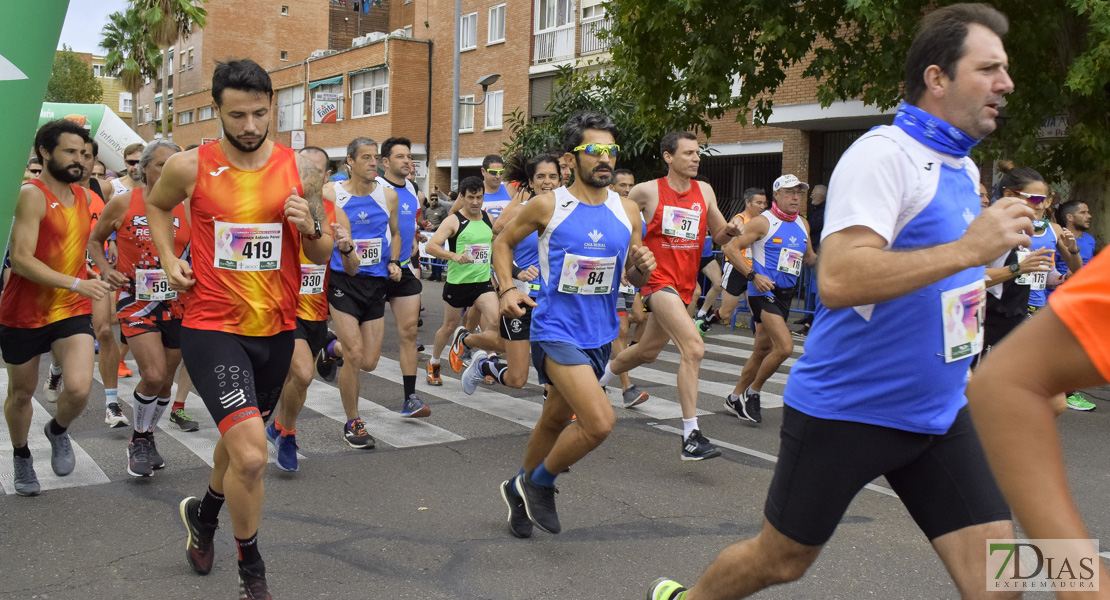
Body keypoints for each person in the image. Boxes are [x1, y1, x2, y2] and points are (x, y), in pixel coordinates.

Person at [648, 5, 1033, 598]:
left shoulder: (961, 164)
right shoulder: (884, 155)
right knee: (780, 560)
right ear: (937, 78)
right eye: (989, 69)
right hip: (850, 410)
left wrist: (992, 266)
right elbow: (841, 278)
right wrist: (967, 249)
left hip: (937, 411)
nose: (1006, 84)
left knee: (1002, 577)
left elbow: (949, 280)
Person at [147, 59, 333, 598]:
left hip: (276, 326)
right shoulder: (190, 166)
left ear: (273, 106)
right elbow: (159, 209)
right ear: (217, 112)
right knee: (252, 453)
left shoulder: (303, 171)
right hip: (211, 322)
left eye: (259, 113)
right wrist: (165, 255)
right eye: (237, 116)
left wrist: (311, 225)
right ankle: (252, 569)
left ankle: (203, 515)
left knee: (238, 439)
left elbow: (321, 252)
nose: (250, 126)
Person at [493, 111, 655, 537]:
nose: (605, 159)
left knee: (553, 419)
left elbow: (633, 275)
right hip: (554, 329)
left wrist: (642, 268)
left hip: (601, 333)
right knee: (599, 421)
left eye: (611, 151)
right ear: (571, 158)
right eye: (594, 151)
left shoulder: (628, 211)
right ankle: (538, 483)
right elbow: (502, 242)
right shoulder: (549, 204)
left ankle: (516, 487)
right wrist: (507, 288)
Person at [967, 248, 1110, 591]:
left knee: (1004, 574)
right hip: (974, 331)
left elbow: (1064, 279)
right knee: (809, 546)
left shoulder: (1035, 239)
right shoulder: (980, 230)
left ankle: (992, 449)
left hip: (1021, 322)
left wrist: (1068, 258)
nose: (1037, 208)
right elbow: (965, 280)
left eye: (1042, 201)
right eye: (1030, 199)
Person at [597, 131, 742, 461]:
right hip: (655, 280)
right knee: (693, 346)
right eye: (689, 153)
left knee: (646, 352)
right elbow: (620, 223)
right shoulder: (646, 191)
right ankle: (691, 435)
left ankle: (598, 383)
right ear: (668, 156)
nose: (696, 158)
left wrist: (730, 229)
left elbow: (718, 234)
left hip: (684, 285)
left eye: (697, 153)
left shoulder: (704, 191)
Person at [1, 119, 108, 496]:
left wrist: (100, 271)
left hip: (71, 307)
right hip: (23, 312)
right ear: (45, 152)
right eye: (69, 151)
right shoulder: (31, 194)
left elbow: (81, 248)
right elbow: (22, 259)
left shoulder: (82, 196)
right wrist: (78, 281)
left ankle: (58, 430)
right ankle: (21, 454)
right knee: (21, 394)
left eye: (83, 153)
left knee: (78, 389)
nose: (79, 160)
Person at [88, 140, 190, 476]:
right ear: (144, 168)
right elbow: (94, 239)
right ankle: (140, 438)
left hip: (179, 302)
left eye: (173, 164)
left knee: (165, 384)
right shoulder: (123, 202)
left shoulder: (189, 207)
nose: (167, 171)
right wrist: (105, 268)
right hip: (136, 301)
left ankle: (146, 436)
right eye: (160, 165)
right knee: (154, 374)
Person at [312, 137, 411, 452]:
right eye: (365, 157)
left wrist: (394, 261)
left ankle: (331, 348)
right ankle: (353, 421)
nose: (372, 162)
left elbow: (395, 234)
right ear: (349, 164)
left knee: (368, 360)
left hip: (375, 283)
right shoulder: (331, 194)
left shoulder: (389, 196)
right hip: (342, 280)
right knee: (355, 355)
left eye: (375, 157)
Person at [266, 145, 356, 470]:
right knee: (303, 372)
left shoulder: (334, 211)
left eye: (314, 171)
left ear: (326, 176)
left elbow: (352, 267)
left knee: (300, 382)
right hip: (282, 307)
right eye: (301, 169)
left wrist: (346, 248)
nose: (306, 176)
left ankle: (280, 425)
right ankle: (287, 433)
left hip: (316, 311)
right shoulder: (277, 205)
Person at [458, 153, 561, 394]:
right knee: (517, 378)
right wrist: (513, 276)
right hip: (519, 292)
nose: (547, 182)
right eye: (541, 177)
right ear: (531, 182)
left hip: (553, 297)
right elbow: (498, 242)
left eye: (553, 176)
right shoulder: (521, 211)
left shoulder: (569, 212)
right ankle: (479, 360)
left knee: (554, 356)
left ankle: (557, 408)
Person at [723, 175, 818, 424]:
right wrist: (753, 275)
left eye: (799, 192)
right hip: (763, 292)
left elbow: (809, 257)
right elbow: (730, 249)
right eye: (789, 192)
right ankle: (754, 393)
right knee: (785, 347)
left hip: (785, 296)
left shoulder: (803, 224)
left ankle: (734, 397)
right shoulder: (763, 222)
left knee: (762, 350)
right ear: (776, 195)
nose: (795, 197)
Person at [425, 177, 499, 384]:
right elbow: (432, 246)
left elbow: (494, 245)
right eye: (471, 198)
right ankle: (434, 362)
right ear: (462, 198)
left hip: (482, 282)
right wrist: (453, 256)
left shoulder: (488, 219)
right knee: (449, 327)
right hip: (458, 283)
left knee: (493, 321)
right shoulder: (453, 221)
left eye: (479, 197)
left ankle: (486, 362)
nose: (475, 202)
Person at [609, 168, 650, 406]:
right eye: (622, 185)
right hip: (609, 277)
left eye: (630, 185)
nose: (627, 189)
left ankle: (603, 376)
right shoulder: (608, 209)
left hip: (628, 276)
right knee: (621, 328)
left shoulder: (635, 211)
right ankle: (627, 388)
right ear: (612, 186)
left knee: (637, 316)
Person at [707, 188, 767, 331]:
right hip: (736, 269)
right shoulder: (739, 220)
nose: (762, 207)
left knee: (757, 312)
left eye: (764, 203)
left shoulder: (763, 222)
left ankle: (760, 346)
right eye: (759, 203)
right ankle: (705, 322)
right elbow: (724, 246)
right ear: (748, 203)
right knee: (726, 313)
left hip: (754, 271)